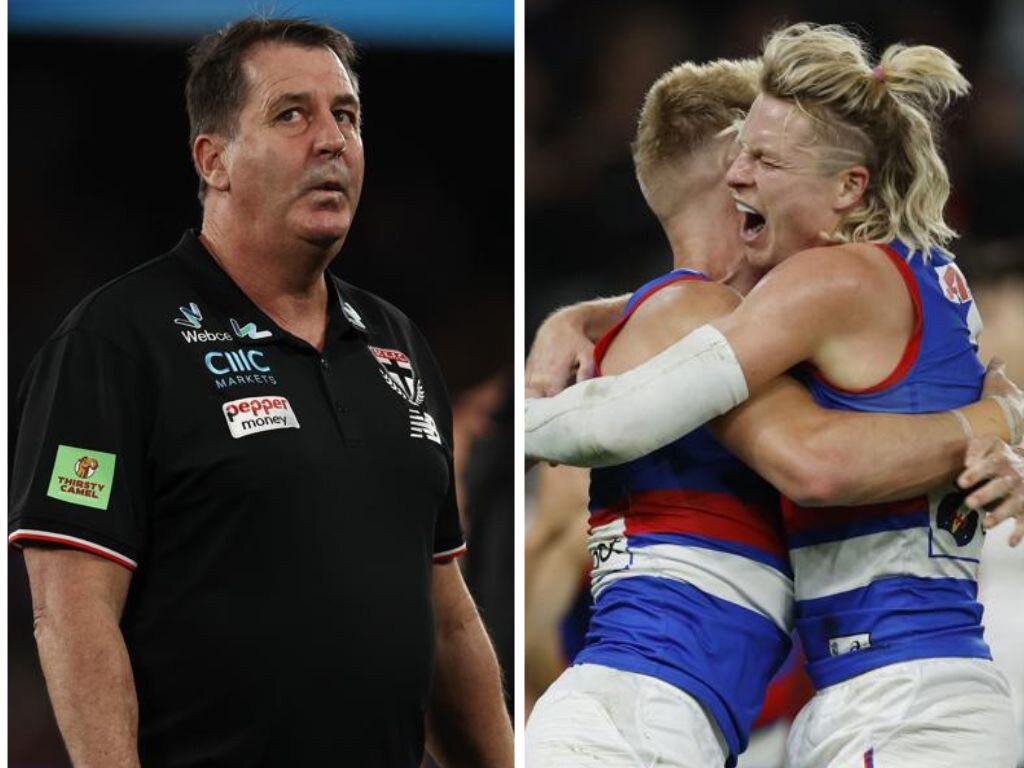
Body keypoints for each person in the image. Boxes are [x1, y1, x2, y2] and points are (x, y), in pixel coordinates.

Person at [9, 17, 512, 767]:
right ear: (213, 160)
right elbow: (71, 614)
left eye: (346, 115)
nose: (332, 140)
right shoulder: (117, 342)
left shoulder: (396, 343)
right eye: (291, 114)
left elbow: (447, 619)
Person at [525, 23, 1023, 767]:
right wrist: (999, 416)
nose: (742, 176)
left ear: (847, 185)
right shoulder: (908, 287)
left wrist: (529, 414)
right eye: (739, 156)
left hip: (894, 707)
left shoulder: (830, 286)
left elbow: (806, 459)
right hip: (661, 716)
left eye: (763, 159)